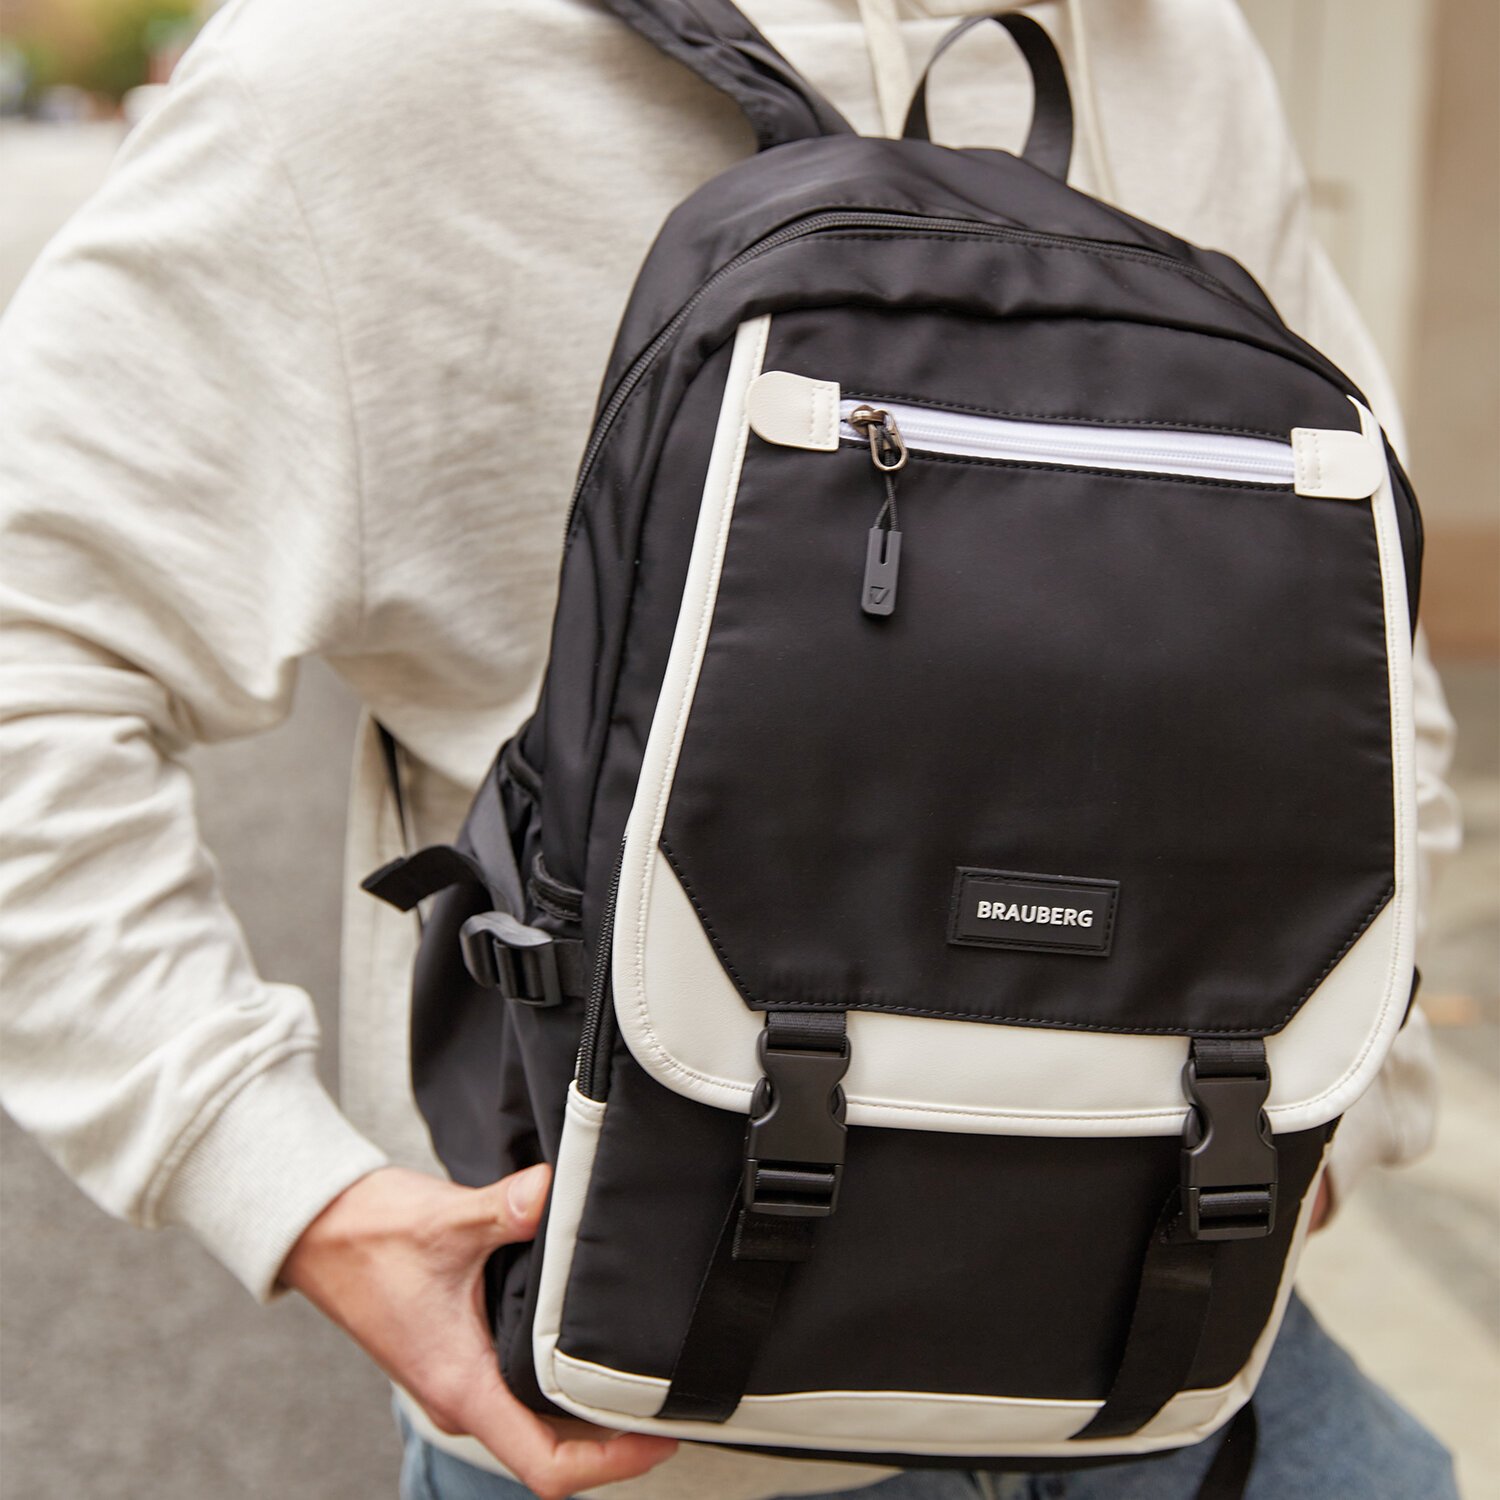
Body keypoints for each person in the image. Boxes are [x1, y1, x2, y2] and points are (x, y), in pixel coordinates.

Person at [0, 1, 1464, 1497]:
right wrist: (284, 1184)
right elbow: (28, 656)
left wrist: (1345, 1105)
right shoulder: (374, 69)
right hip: (645, 1429)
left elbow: (1363, 617)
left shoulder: (1169, 39)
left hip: (1179, 1337)